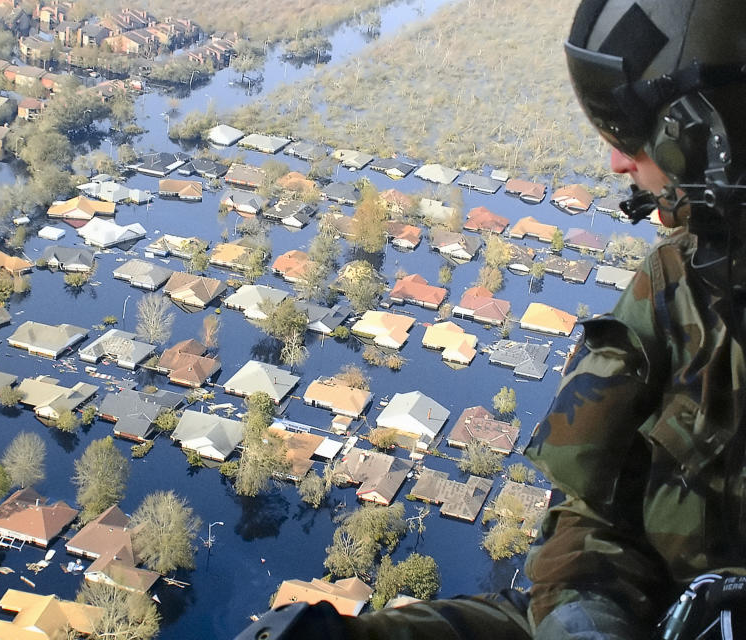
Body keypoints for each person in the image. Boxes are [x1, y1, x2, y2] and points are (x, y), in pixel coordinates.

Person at [237, 1, 746, 638]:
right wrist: (585, 622)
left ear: (707, 136)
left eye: (632, 133)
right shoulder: (680, 285)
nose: (618, 162)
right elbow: (589, 519)